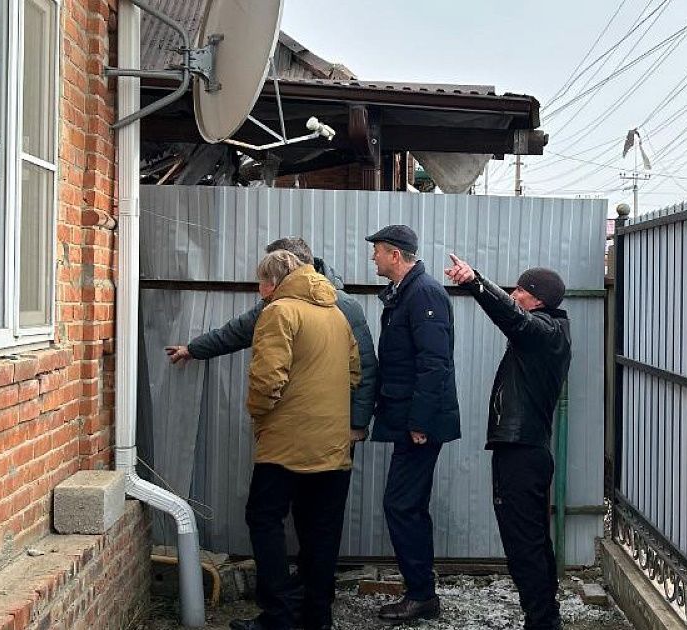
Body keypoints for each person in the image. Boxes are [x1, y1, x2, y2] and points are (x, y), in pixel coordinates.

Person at [232, 250, 361, 630]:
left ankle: (279, 617)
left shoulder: (279, 311)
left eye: (261, 281)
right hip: (333, 446)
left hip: (285, 444)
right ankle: (316, 617)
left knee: (263, 518)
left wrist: (260, 417)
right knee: (321, 532)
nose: (259, 289)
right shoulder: (336, 314)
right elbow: (354, 374)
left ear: (273, 282)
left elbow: (267, 379)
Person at [444, 254, 571, 630]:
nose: (514, 294)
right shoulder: (548, 332)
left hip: (521, 453)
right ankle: (545, 617)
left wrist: (475, 281)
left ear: (538, 299)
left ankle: (542, 620)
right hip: (525, 450)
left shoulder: (543, 332)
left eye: (521, 289)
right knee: (532, 540)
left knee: (523, 544)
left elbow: (511, 317)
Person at [165, 237, 378, 440]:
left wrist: (357, 424)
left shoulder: (343, 306)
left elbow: (364, 367)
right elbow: (238, 331)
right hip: (293, 422)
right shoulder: (275, 303)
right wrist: (194, 349)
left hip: (331, 426)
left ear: (289, 266)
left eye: (273, 267)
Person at [365, 225, 461, 622]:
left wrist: (419, 421)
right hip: (409, 418)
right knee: (409, 505)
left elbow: (434, 363)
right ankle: (421, 592)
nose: (373, 257)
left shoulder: (423, 293)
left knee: (401, 505)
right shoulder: (407, 292)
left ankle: (421, 594)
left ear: (395, 254)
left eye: (377, 251)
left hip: (419, 423)